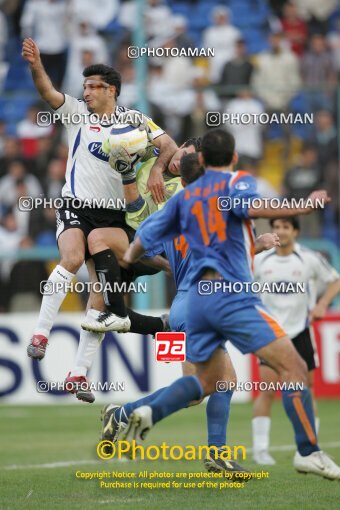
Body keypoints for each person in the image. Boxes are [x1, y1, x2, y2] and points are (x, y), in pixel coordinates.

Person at [120, 129, 340, 480]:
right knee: (293, 369)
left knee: (211, 385)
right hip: (226, 297)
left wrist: (127, 262)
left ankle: (149, 417)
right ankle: (307, 452)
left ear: (200, 161)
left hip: (190, 305)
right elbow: (252, 209)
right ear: (233, 159)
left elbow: (140, 242)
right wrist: (302, 207)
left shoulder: (177, 204)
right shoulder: (233, 186)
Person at [101, 151, 280, 475]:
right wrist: (261, 242)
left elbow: (145, 248)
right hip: (204, 303)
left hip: (185, 303)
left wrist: (171, 265)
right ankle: (129, 416)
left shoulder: (171, 212)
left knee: (208, 386)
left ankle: (129, 416)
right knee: (216, 383)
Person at [21, 38, 177, 365]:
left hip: (115, 216)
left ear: (112, 90)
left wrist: (156, 171)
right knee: (72, 257)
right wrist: (36, 65)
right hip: (76, 205)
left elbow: (169, 145)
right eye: (85, 86)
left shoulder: (134, 120)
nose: (87, 92)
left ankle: (79, 373)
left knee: (102, 296)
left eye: (93, 86)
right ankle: (40, 333)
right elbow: (48, 92)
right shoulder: (76, 113)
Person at [252, 217, 340, 464]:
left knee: (307, 390)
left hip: (300, 331)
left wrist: (323, 304)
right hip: (270, 333)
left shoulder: (308, 259)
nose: (280, 231)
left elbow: (335, 280)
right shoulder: (260, 260)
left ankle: (310, 448)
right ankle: (260, 450)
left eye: (285, 227)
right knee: (267, 390)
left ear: (296, 232)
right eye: (276, 227)